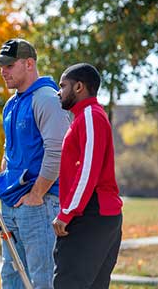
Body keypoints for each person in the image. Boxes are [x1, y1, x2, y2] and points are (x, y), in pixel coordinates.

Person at [0, 38, 70, 289]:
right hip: (13, 202)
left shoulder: (46, 98)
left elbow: (57, 152)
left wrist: (36, 195)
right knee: (11, 277)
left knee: (41, 279)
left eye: (9, 65)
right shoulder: (12, 103)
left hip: (40, 203)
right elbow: (9, 149)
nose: (3, 71)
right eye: (1, 66)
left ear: (29, 63)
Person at [53, 63, 123, 289]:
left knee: (68, 283)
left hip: (91, 214)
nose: (59, 92)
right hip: (97, 215)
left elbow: (88, 169)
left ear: (79, 87)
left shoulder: (91, 116)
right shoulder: (84, 117)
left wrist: (67, 212)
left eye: (63, 86)